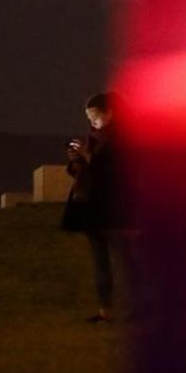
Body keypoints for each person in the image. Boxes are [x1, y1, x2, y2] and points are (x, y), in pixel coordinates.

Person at [62, 91, 135, 323]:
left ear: (110, 113)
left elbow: (113, 171)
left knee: (126, 260)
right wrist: (76, 159)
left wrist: (87, 154)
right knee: (100, 261)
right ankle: (106, 310)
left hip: (114, 207)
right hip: (91, 207)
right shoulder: (93, 139)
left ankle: (137, 308)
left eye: (94, 115)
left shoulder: (125, 138)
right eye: (88, 116)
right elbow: (84, 173)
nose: (91, 121)